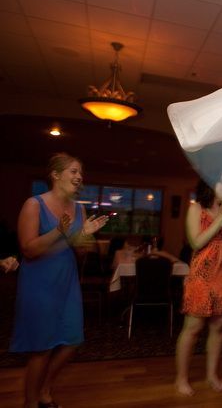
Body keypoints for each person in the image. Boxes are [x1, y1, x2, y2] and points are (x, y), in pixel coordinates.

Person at [10, 153, 108, 408]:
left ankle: (45, 389)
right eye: (73, 171)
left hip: (67, 281)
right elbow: (29, 250)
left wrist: (84, 236)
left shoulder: (79, 208)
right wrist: (59, 231)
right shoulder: (34, 205)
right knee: (41, 349)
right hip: (39, 283)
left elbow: (79, 250)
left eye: (81, 173)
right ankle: (32, 402)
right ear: (55, 175)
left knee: (72, 341)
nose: (79, 177)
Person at [174, 176, 222, 396]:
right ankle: (181, 379)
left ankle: (211, 375)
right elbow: (196, 242)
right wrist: (219, 222)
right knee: (193, 328)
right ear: (210, 184)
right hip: (201, 275)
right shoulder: (196, 209)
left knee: (218, 327)